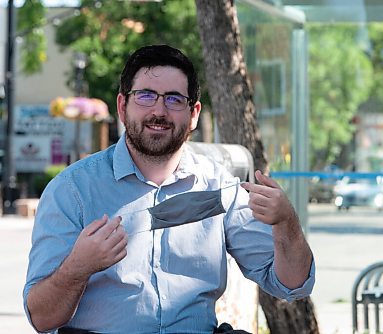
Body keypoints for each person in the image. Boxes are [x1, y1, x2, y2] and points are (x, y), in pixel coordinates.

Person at [23, 44, 314, 334]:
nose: (159, 111)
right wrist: (78, 267)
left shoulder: (218, 185)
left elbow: (291, 285)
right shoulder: (72, 191)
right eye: (146, 96)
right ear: (123, 107)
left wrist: (287, 223)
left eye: (174, 99)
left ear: (194, 113)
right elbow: (41, 318)